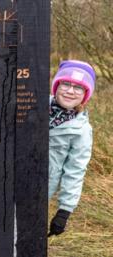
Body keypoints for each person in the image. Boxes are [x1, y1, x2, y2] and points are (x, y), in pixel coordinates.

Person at [48, 60, 95, 237]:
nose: (70, 91)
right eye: (65, 84)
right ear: (56, 86)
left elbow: (75, 171)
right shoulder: (30, 104)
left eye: (78, 87)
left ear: (85, 94)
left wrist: (64, 211)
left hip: (40, 188)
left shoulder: (81, 131)